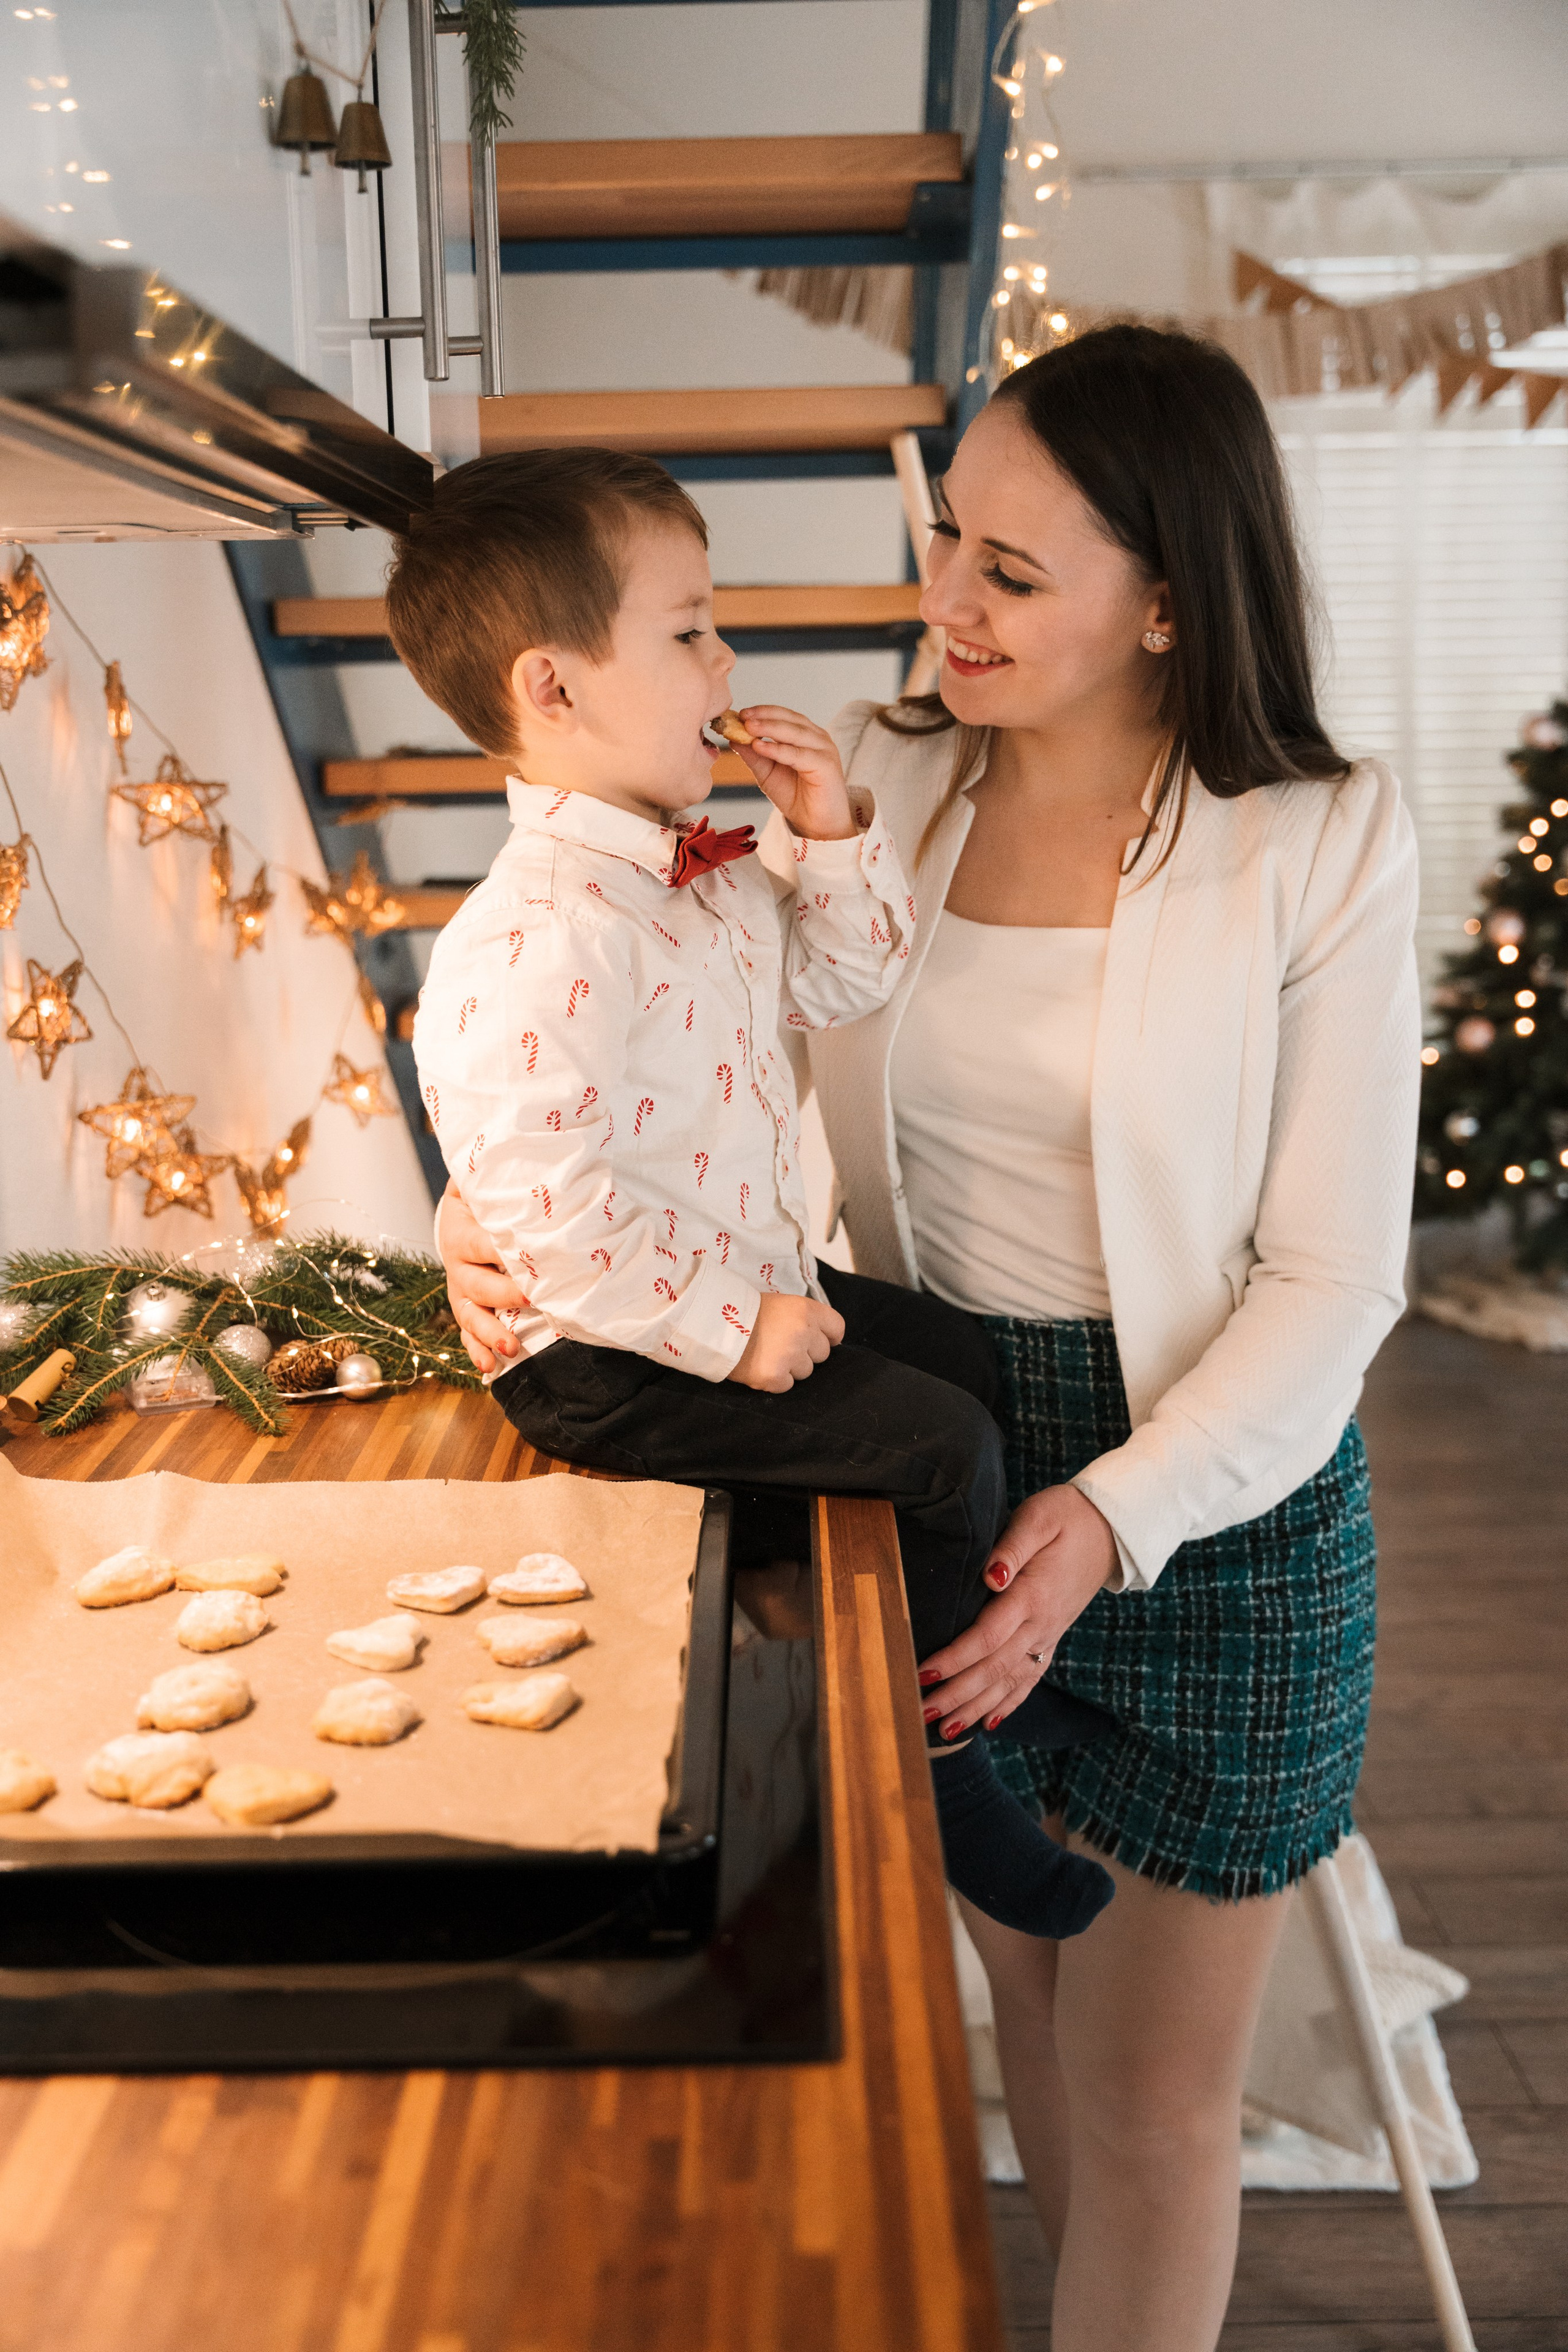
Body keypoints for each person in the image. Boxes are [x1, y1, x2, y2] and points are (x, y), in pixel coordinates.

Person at [439, 328, 1421, 2351]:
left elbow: (1336, 1281)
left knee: (1157, 2109)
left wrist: (1119, 1516)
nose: (940, 604)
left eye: (1011, 572)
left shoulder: (1321, 837)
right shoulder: (869, 778)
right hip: (923, 1431)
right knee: (1035, 2014)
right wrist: (484, 1226)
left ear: (1169, 601)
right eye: (945, 539)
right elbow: (601, 1028)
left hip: (1208, 1498)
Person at [389, 446, 1114, 1944]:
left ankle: (967, 1679)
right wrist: (732, 1328)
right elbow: (549, 1210)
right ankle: (937, 1765)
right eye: (687, 628)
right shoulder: (530, 938)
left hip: (745, 1274)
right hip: (612, 1355)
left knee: (966, 1359)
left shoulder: (705, 868)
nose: (726, 657)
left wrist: (827, 829)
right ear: (554, 687)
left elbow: (849, 979)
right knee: (939, 1445)